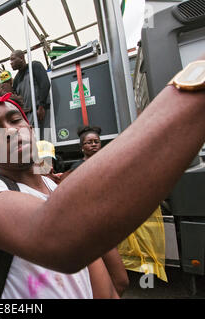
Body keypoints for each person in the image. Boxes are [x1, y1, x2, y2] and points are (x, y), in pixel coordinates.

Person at [0, 37, 205, 298]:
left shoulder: (53, 186)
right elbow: (60, 237)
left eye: (15, 119)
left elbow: (99, 274)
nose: (9, 131)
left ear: (30, 127)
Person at [62, 126, 129, 296]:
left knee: (120, 282)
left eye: (96, 141)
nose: (93, 144)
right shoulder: (77, 168)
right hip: (89, 229)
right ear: (81, 147)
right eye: (89, 142)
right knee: (112, 282)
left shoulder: (109, 162)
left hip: (106, 226)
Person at [10, 50, 51, 131]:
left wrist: (42, 106)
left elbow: (45, 84)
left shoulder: (34, 66)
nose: (11, 62)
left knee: (45, 137)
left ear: (21, 58)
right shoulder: (16, 79)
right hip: (26, 115)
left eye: (13, 59)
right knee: (31, 139)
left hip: (39, 110)